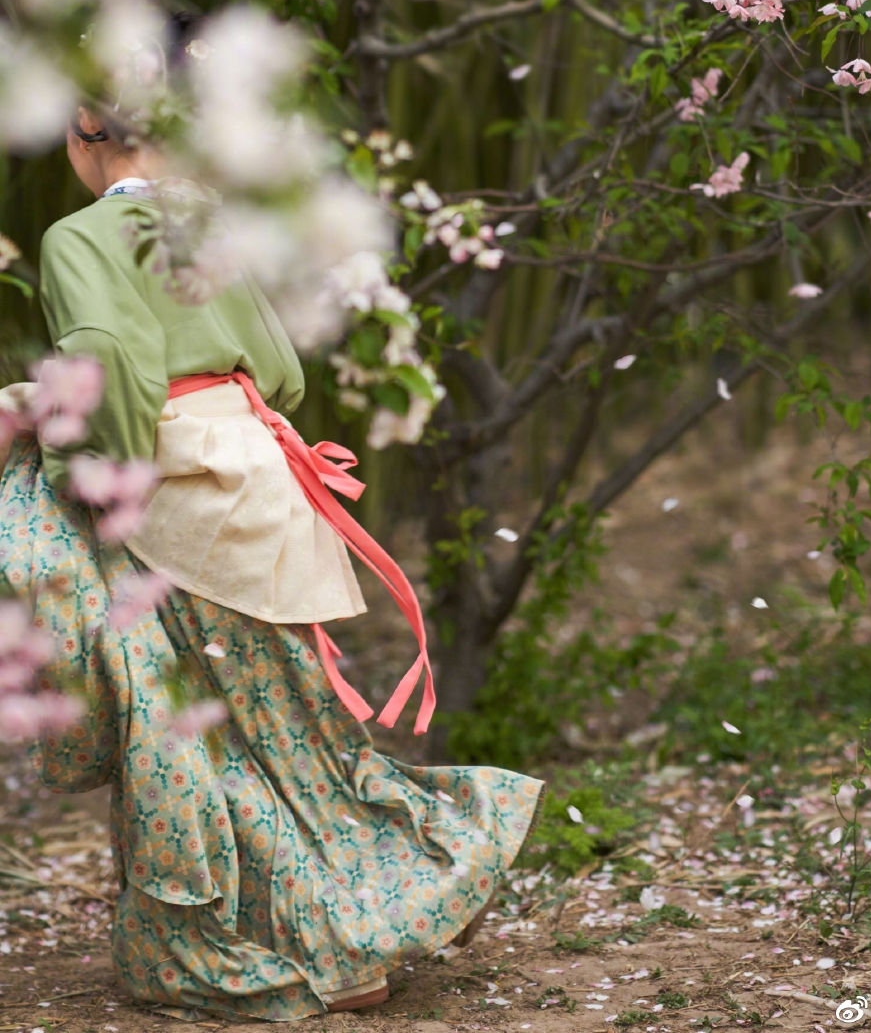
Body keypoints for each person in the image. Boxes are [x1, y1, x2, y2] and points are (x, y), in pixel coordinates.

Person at [0, 104, 543, 1020]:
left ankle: (347, 934)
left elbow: (106, 363)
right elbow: (282, 372)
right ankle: (379, 908)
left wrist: (81, 474)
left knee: (217, 742)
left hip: (176, 497)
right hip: (258, 477)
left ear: (85, 129)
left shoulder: (79, 236)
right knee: (291, 732)